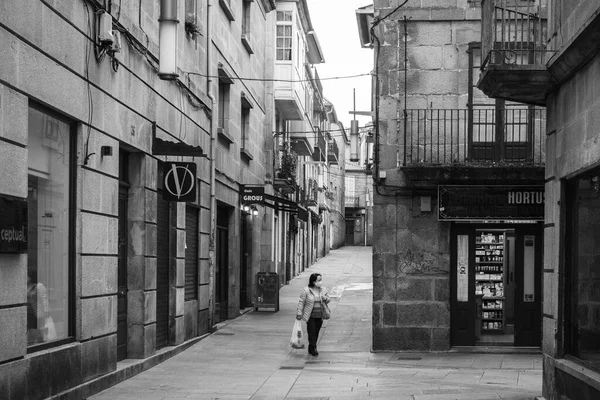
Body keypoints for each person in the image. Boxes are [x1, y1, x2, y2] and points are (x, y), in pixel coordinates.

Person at [296, 273, 330, 356]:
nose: (320, 282)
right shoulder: (306, 290)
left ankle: (311, 347)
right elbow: (301, 302)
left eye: (321, 280)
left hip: (320, 315)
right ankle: (314, 347)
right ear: (313, 281)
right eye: (319, 280)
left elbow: (328, 299)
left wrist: (325, 298)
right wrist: (299, 312)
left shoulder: (323, 290)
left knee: (316, 332)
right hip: (310, 315)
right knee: (311, 332)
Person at [27, 271, 49, 344]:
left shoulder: (39, 286)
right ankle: (32, 345)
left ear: (30, 277)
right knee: (30, 333)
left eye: (26, 275)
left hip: (37, 315)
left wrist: (46, 313)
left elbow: (44, 299)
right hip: (28, 315)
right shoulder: (25, 287)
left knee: (38, 333)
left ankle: (40, 346)